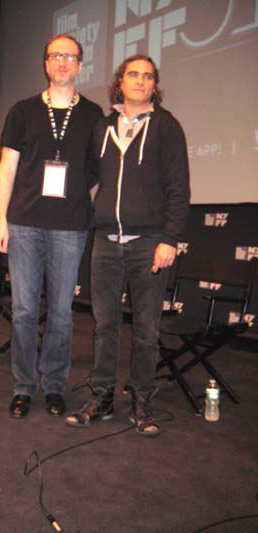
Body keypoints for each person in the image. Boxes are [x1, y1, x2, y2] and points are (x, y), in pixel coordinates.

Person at [66, 54, 190, 436]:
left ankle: (141, 399)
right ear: (120, 82)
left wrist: (168, 239)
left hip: (148, 243)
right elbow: (86, 176)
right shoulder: (102, 128)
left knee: (147, 330)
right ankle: (102, 397)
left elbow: (178, 189)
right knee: (104, 326)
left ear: (155, 85)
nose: (140, 81)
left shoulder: (167, 127)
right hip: (105, 242)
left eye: (148, 76)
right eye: (133, 75)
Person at [0, 34, 103, 419]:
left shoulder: (93, 114)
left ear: (80, 65)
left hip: (70, 228)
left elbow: (96, 173)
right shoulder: (22, 111)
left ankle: (54, 386)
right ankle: (23, 386)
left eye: (70, 56)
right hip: (23, 224)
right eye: (56, 55)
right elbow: (6, 169)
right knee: (23, 311)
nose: (62, 62)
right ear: (45, 63)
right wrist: (1, 219)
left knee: (60, 313)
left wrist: (74, 198)